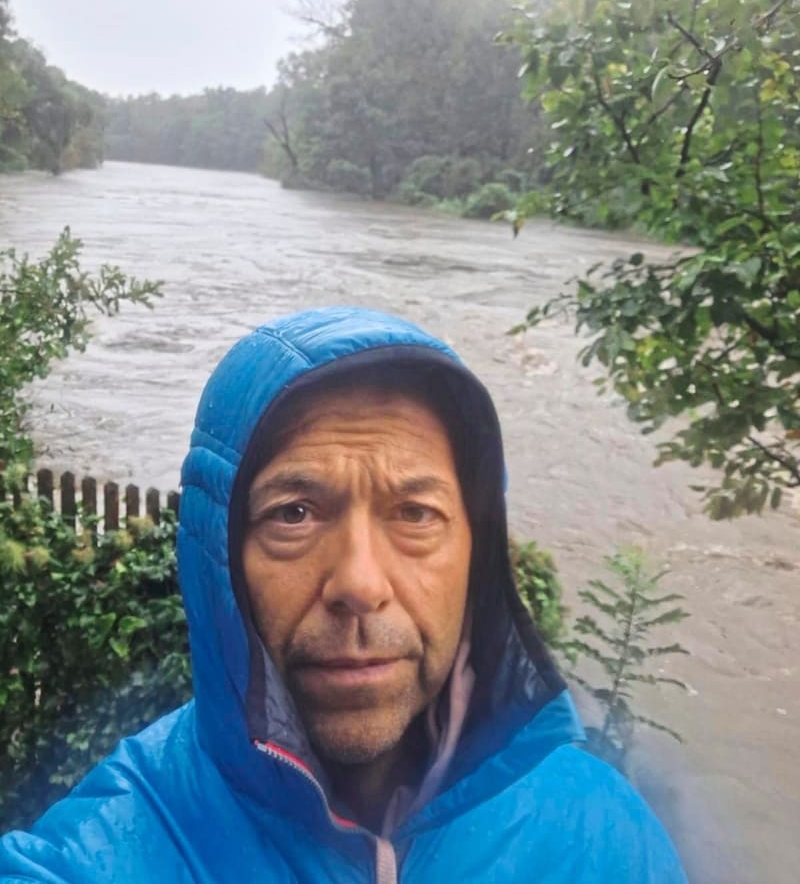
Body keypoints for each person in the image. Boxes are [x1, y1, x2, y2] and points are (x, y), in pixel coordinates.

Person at [0, 307, 687, 882]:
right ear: (218, 562)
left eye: (416, 513)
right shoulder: (111, 849)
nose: (359, 583)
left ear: (477, 558)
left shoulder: (603, 841)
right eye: (293, 513)